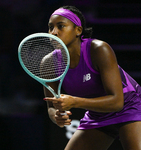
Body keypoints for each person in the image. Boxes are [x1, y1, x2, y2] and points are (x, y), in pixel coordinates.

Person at [43, 5, 141, 150]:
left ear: (78, 30)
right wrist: (57, 116)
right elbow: (51, 107)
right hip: (98, 115)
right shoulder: (49, 63)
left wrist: (74, 102)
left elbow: (117, 102)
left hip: (130, 106)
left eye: (61, 26)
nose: (54, 32)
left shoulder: (99, 49)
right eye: (51, 27)